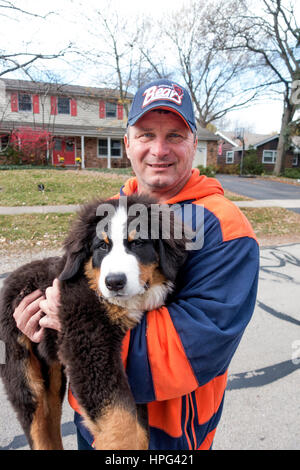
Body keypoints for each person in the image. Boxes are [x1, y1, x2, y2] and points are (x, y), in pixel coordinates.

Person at [13, 79, 259, 450]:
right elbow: (64, 287)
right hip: (95, 426)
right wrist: (39, 327)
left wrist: (80, 331)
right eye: (146, 134)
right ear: (127, 143)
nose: (159, 150)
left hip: (171, 438)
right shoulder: (108, 211)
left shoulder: (223, 225)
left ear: (195, 143)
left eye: (174, 135)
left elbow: (193, 349)